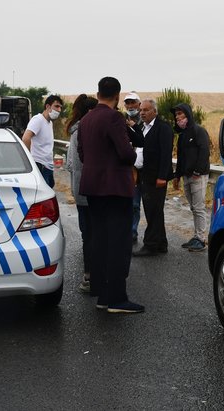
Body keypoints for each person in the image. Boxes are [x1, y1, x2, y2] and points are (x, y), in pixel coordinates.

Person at [78, 76, 145, 314]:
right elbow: (126, 154)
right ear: (117, 96)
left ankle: (102, 294)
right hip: (115, 188)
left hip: (93, 188)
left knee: (100, 241)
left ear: (98, 93)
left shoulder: (86, 119)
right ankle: (117, 298)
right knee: (118, 243)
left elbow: (82, 153)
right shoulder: (114, 117)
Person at [132, 98, 174, 257]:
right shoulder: (143, 128)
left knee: (153, 211)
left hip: (156, 177)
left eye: (146, 110)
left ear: (155, 111)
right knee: (155, 211)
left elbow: (165, 154)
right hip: (144, 175)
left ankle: (150, 245)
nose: (142, 113)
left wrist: (162, 176)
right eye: (141, 110)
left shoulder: (162, 128)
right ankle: (161, 243)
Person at [65, 94, 98, 293]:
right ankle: (94, 277)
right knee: (96, 235)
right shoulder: (86, 132)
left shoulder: (74, 131)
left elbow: (69, 165)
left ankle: (88, 276)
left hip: (79, 191)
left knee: (88, 234)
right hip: (92, 191)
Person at [171, 103, 210, 252]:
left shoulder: (199, 131)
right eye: (176, 116)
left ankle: (201, 239)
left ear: (188, 114)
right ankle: (196, 236)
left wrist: (197, 172)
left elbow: (204, 152)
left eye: (180, 114)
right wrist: (177, 176)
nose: (178, 118)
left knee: (199, 207)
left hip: (197, 176)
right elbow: (180, 158)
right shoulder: (182, 136)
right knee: (193, 207)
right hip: (186, 177)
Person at [23, 95, 63, 188]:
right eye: (56, 106)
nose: (59, 110)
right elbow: (26, 138)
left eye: (60, 107)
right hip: (39, 165)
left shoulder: (49, 123)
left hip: (48, 166)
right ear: (48, 106)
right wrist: (29, 160)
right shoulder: (38, 120)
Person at [123, 92, 143, 244]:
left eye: (133, 103)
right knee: (129, 203)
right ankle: (129, 231)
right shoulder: (122, 121)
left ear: (139, 104)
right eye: (127, 103)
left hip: (144, 168)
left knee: (140, 204)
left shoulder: (145, 122)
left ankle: (136, 232)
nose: (130, 106)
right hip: (128, 168)